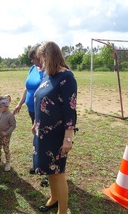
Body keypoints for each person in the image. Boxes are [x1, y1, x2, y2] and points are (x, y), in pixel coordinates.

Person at [31, 41, 77, 213]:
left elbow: (70, 110)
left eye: (41, 57)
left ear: (48, 55)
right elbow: (41, 100)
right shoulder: (47, 75)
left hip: (57, 135)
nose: (39, 61)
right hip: (42, 134)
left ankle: (62, 211)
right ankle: (54, 198)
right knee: (49, 170)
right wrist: (36, 122)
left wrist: (68, 138)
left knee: (58, 173)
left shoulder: (66, 77)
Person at [13, 43, 44, 174]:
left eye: (34, 58)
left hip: (42, 111)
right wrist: (20, 104)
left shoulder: (48, 71)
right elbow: (27, 87)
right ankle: (37, 164)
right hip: (31, 109)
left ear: (42, 56)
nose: (32, 61)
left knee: (42, 138)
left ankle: (45, 168)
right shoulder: (32, 69)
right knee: (36, 137)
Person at [0, 95, 16, 172]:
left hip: (5, 137)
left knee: (6, 149)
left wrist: (7, 132)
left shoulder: (10, 116)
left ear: (6, 106)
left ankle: (8, 163)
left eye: (1, 107)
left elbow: (13, 126)